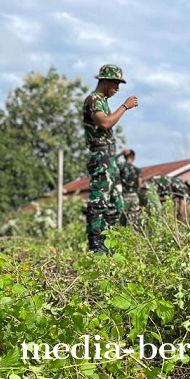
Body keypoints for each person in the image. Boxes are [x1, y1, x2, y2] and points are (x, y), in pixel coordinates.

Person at [81, 64, 138, 253]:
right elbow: (104, 123)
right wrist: (125, 106)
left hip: (109, 156)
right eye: (116, 83)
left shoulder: (102, 100)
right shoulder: (93, 99)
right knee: (100, 200)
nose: (117, 89)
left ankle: (108, 244)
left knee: (116, 202)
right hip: (101, 155)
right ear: (105, 81)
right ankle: (96, 245)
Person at [117, 148, 142, 228]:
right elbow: (139, 184)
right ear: (133, 158)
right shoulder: (137, 170)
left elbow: (111, 162)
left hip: (124, 197)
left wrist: (120, 154)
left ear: (124, 157)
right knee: (134, 223)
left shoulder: (121, 167)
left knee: (121, 223)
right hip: (134, 198)